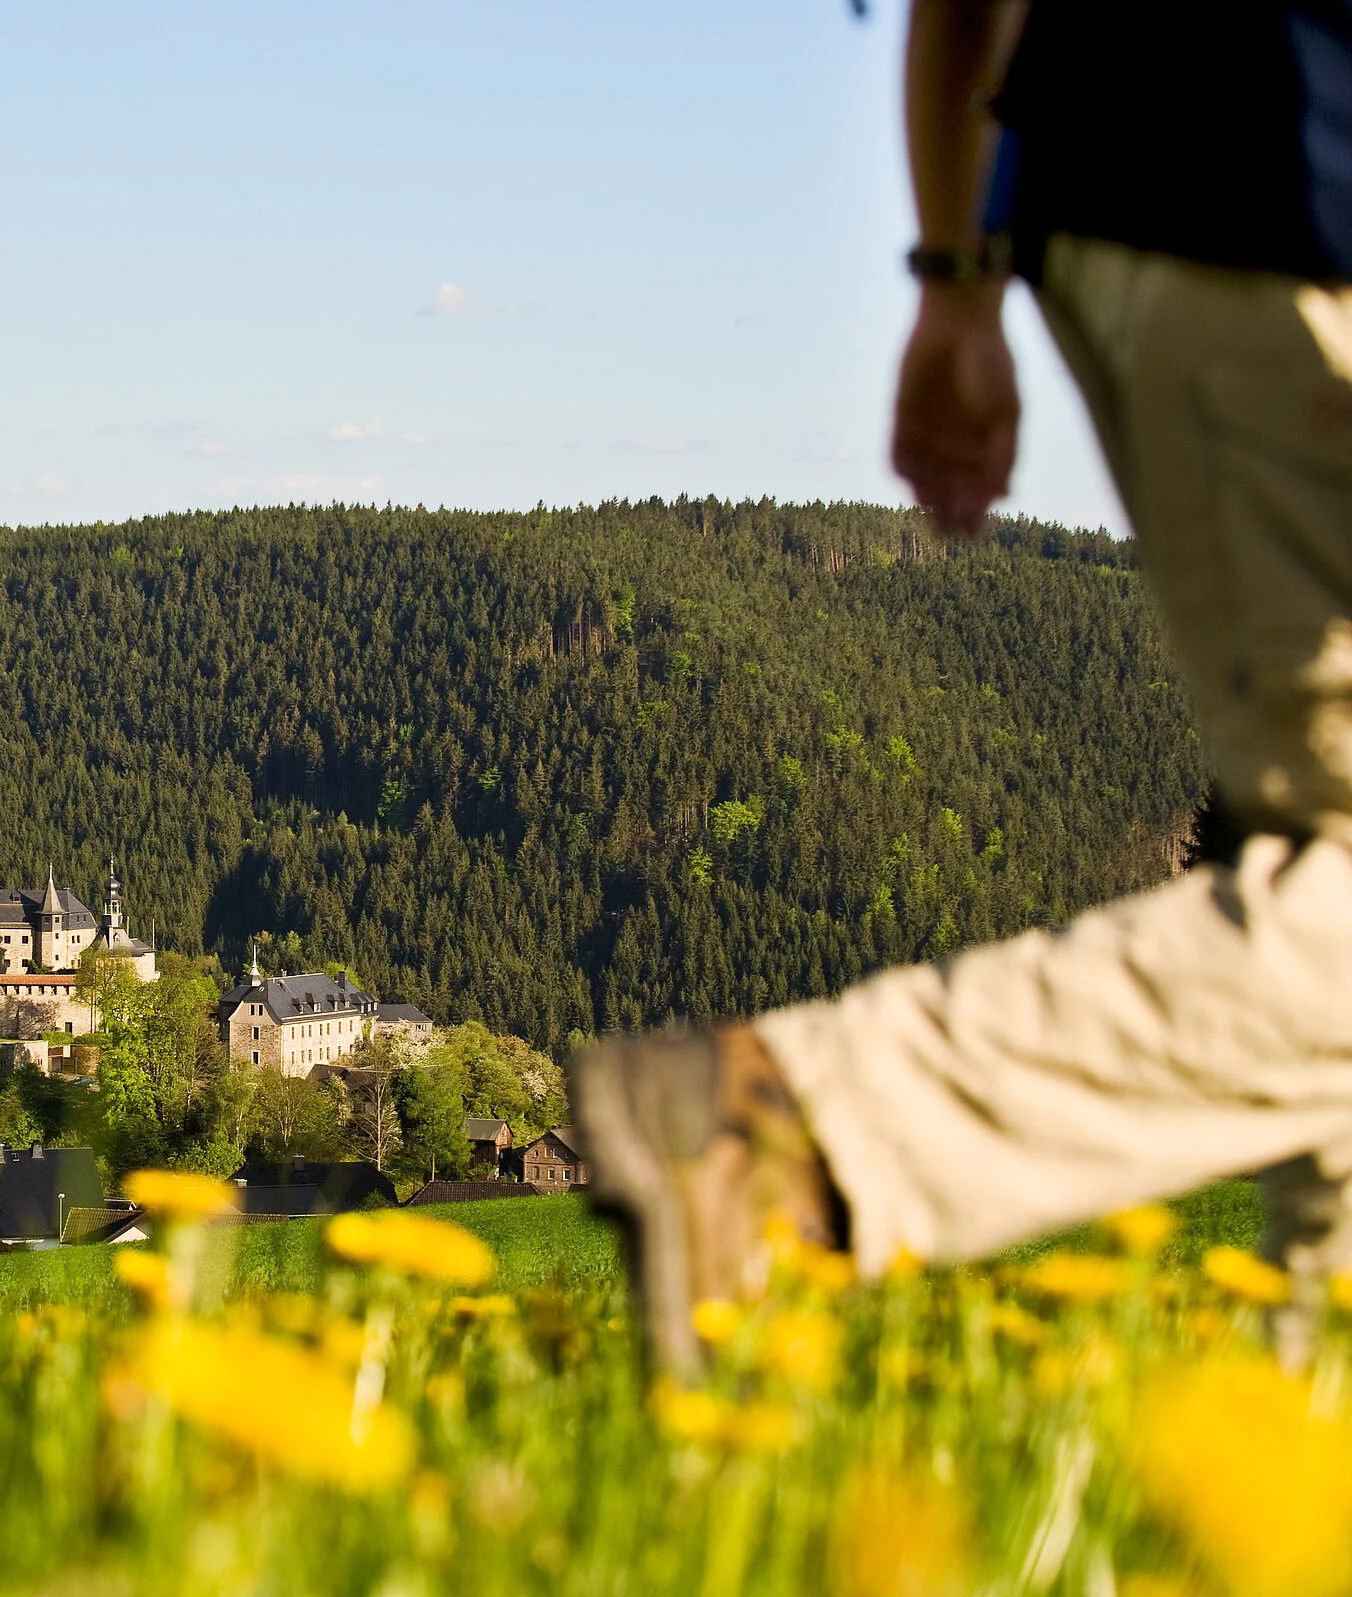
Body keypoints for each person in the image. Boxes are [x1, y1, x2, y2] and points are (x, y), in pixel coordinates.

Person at [578, 0, 1352, 1379]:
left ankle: (1294, 1473)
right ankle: (800, 1123)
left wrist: (957, 276)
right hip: (1263, 199)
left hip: (1173, 186)